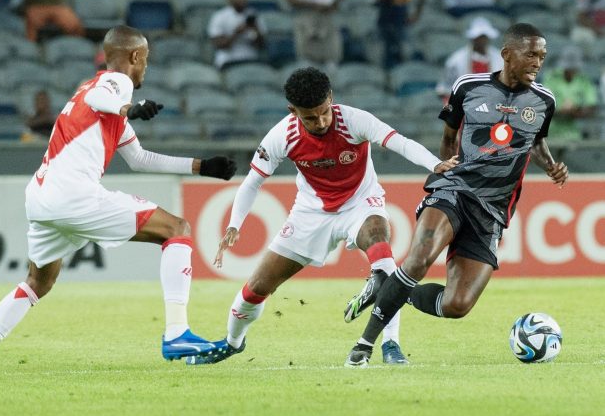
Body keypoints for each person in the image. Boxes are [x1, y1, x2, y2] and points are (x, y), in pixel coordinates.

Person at [0, 25, 238, 381]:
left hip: (42, 197)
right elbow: (103, 99)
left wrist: (200, 166)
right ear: (135, 56)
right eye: (146, 61)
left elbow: (139, 159)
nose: (145, 68)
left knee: (36, 282)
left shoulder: (91, 97)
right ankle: (176, 333)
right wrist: (130, 106)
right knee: (177, 229)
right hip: (73, 194)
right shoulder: (114, 83)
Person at [184, 67, 458, 367]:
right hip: (310, 213)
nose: (320, 121)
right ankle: (232, 343)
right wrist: (235, 224)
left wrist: (435, 164)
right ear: (293, 111)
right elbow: (252, 182)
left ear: (331, 98)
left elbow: (399, 142)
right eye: (310, 117)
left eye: (324, 112)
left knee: (383, 253)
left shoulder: (354, 120)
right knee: (257, 287)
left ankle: (391, 345)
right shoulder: (282, 135)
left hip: (360, 204)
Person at [343, 23, 569, 367]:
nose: (538, 62)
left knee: (457, 305)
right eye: (531, 54)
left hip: (493, 209)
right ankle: (364, 346)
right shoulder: (468, 87)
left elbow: (535, 140)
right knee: (418, 260)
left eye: (542, 56)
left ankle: (389, 287)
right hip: (455, 189)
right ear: (507, 54)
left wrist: (551, 165)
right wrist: (445, 167)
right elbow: (449, 134)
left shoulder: (544, 100)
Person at [281, 0, 346, 70]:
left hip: (327, 14)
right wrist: (314, 5)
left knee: (331, 58)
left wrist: (334, 4)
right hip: (306, 14)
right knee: (307, 58)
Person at [373, 0, 425, 70]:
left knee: (405, 55)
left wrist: (417, 13)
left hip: (403, 17)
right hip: (385, 18)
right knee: (385, 56)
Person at [436, 16, 503, 100]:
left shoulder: (500, 59)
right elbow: (445, 88)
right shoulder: (456, 60)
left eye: (484, 37)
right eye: (479, 37)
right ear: (473, 38)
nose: (482, 40)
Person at [542, 45, 598, 140]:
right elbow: (544, 105)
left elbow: (591, 105)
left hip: (576, 133)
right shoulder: (551, 78)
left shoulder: (584, 80)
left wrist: (576, 111)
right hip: (552, 132)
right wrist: (560, 111)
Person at [207, 0, 266, 70]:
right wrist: (236, 33)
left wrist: (256, 29)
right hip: (229, 61)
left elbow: (262, 46)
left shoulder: (253, 15)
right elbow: (219, 45)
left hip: (251, 59)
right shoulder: (220, 16)